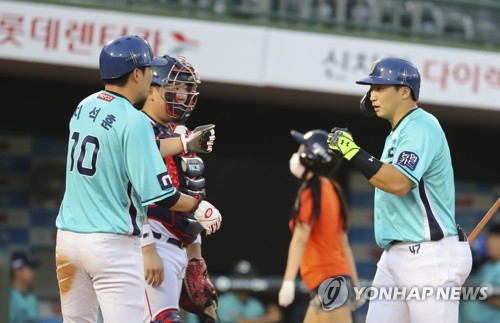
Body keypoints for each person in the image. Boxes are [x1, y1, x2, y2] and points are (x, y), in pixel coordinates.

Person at [55, 34, 222, 323]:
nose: (151, 78)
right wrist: (197, 206)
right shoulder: (133, 120)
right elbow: (160, 194)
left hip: (68, 239)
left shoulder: (84, 105)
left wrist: (183, 145)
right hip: (112, 243)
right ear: (136, 74)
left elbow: (129, 148)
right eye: (148, 71)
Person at [327, 57, 472, 323]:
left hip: (429, 254)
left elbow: (398, 183)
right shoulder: (399, 132)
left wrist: (352, 151)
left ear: (405, 91)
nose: (372, 95)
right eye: (371, 89)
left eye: (380, 88)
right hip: (397, 255)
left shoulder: (421, 126)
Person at [140, 54, 217, 323]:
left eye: (186, 89)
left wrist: (196, 259)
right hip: (150, 242)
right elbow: (131, 197)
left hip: (179, 246)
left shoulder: (180, 130)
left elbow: (193, 191)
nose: (183, 95)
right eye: (175, 88)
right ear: (150, 90)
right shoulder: (136, 127)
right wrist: (146, 248)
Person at [278, 129, 360, 323]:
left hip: (329, 283)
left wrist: (288, 282)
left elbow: (299, 240)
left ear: (312, 157)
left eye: (301, 150)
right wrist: (355, 285)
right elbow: (343, 243)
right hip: (331, 282)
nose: (296, 155)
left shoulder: (310, 193)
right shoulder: (332, 188)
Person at [214, 259, 283, 323]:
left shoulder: (256, 305)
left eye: (247, 278)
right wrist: (268, 319)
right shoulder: (222, 302)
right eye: (239, 277)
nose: (243, 281)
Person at [460, 222, 500, 323]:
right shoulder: (485, 265)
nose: (490, 243)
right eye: (489, 238)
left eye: (495, 239)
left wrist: (474, 290)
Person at [9, 250, 40, 323]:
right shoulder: (6, 298)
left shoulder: (32, 298)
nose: (33, 273)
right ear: (17, 271)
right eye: (30, 269)